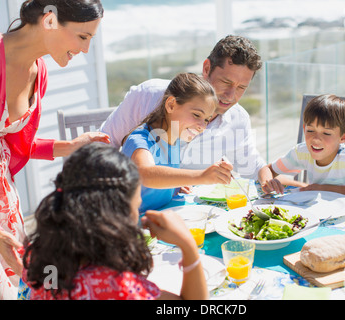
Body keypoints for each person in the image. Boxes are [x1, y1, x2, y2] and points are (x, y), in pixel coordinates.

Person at [0, 0, 110, 300]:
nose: (86, 50)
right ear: (50, 20)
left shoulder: (39, 71)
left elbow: (10, 146)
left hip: (1, 202)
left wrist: (71, 147)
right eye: (83, 36)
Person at [23, 143, 208, 300]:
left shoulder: (39, 257)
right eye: (136, 207)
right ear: (114, 217)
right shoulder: (118, 286)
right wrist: (188, 246)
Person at [101, 35, 283, 194]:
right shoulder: (147, 98)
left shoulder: (237, 118)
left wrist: (174, 186)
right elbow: (104, 150)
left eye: (241, 88)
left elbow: (252, 163)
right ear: (206, 68)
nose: (230, 95)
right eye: (225, 82)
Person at [121, 72, 233, 212]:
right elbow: (146, 174)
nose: (202, 126)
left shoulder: (173, 140)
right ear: (171, 105)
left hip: (159, 216)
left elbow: (159, 178)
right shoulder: (140, 140)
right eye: (196, 115)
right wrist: (201, 176)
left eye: (206, 119)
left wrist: (174, 186)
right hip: (132, 226)